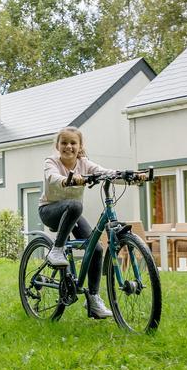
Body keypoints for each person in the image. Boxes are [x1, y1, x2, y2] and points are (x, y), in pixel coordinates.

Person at [38, 126, 144, 319]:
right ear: (57, 145)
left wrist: (131, 176)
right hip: (49, 210)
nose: (68, 147)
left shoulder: (84, 163)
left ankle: (93, 299)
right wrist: (67, 180)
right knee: (76, 206)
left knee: (95, 248)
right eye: (64, 143)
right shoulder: (51, 161)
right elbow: (52, 177)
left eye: (73, 143)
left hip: (72, 213)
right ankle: (57, 249)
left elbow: (105, 172)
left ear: (80, 146)